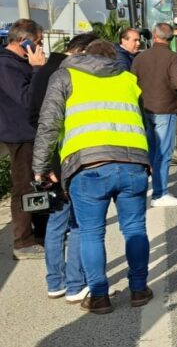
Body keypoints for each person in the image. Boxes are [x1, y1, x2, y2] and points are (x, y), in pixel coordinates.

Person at [32, 39, 152, 314]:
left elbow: (48, 123)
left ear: (84, 54)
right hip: (132, 163)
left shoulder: (65, 76)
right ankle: (138, 290)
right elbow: (143, 122)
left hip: (88, 167)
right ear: (114, 57)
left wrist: (40, 166)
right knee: (134, 228)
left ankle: (99, 296)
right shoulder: (128, 79)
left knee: (90, 233)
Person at [32, 32, 96, 302]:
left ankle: (54, 282)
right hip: (70, 159)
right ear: (81, 52)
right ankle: (75, 284)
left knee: (57, 223)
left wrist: (43, 164)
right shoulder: (73, 75)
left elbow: (37, 119)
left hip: (50, 159)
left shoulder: (43, 71)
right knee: (80, 224)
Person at [0, 18, 48, 260]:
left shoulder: (20, 62)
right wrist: (38, 69)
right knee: (24, 187)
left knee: (36, 184)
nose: (40, 47)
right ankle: (22, 241)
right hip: (19, 135)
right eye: (37, 42)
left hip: (31, 133)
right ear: (23, 41)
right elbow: (27, 100)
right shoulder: (6, 66)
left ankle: (41, 234)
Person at [131, 22, 177, 206]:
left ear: (154, 36)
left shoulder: (140, 58)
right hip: (166, 109)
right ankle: (160, 193)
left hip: (145, 109)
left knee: (151, 151)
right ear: (171, 38)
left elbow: (132, 81)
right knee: (164, 153)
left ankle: (151, 186)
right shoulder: (174, 58)